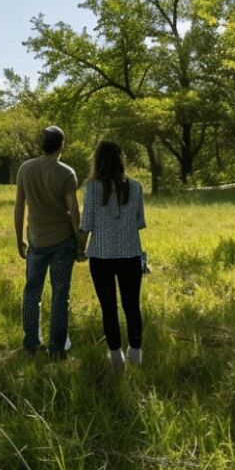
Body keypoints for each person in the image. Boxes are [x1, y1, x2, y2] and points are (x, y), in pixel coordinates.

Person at [14, 125, 82, 359]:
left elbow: (19, 206)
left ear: (41, 145)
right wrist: (80, 244)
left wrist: (18, 238)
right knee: (60, 295)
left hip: (36, 241)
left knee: (32, 293)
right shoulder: (66, 173)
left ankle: (31, 344)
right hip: (63, 241)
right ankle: (57, 348)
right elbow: (74, 212)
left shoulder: (26, 169)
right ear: (62, 145)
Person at [79, 140, 146, 368]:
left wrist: (80, 250)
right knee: (132, 305)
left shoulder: (92, 188)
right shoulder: (135, 187)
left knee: (109, 307)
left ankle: (115, 355)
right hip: (130, 254)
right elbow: (139, 222)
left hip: (100, 257)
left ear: (98, 161)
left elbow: (86, 224)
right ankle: (135, 352)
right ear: (121, 160)